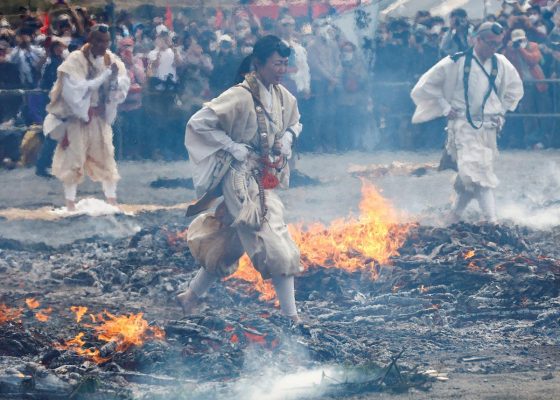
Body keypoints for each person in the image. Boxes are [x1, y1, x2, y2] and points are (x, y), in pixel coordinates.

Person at [177, 35, 303, 322]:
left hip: (265, 174)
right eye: (276, 64)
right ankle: (291, 317)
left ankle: (190, 297)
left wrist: (287, 137)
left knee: (230, 242)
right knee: (272, 237)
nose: (282, 69)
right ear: (258, 63)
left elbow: (296, 121)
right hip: (241, 181)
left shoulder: (284, 96)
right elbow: (198, 123)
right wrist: (232, 147)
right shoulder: (239, 95)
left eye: (285, 63)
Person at [411, 22, 524, 223]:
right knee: (476, 173)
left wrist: (502, 113)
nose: (494, 48)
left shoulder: (501, 63)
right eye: (490, 43)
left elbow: (514, 90)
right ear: (477, 39)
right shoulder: (454, 62)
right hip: (463, 126)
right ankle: (491, 220)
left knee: (471, 174)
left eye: (497, 44)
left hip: (488, 130)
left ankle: (454, 214)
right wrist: (445, 107)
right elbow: (425, 86)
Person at [43, 24, 130, 211]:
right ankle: (70, 203)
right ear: (90, 41)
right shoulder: (75, 59)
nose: (103, 45)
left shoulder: (111, 59)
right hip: (78, 118)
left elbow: (122, 83)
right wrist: (84, 108)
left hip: (99, 117)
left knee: (106, 156)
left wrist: (113, 79)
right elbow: (74, 89)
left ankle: (112, 200)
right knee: (73, 159)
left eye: (106, 41)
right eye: (99, 41)